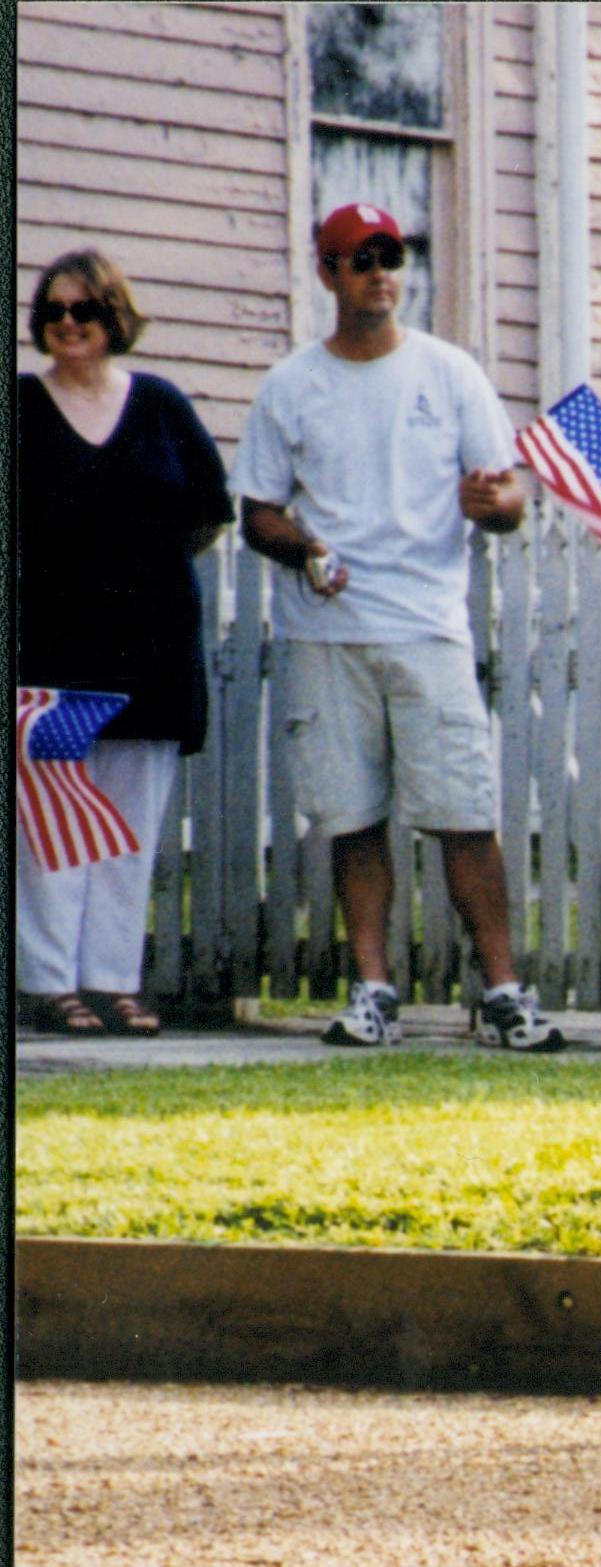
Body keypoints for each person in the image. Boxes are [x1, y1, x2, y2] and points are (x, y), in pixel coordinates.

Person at [234, 203, 562, 1052]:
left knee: (465, 813)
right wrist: (305, 549)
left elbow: (510, 497)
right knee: (352, 818)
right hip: (328, 632)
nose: (382, 271)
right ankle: (373, 990)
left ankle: (503, 992)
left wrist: (496, 505)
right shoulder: (292, 384)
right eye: (362, 257)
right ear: (328, 273)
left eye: (394, 254)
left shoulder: (450, 373)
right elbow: (257, 512)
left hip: (429, 627)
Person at [16, 249, 230, 1038]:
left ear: (114, 318)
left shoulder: (162, 405)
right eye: (54, 313)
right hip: (50, 654)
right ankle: (48, 982)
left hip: (151, 650)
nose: (68, 325)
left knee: (130, 825)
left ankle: (111, 981)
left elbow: (208, 511)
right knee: (53, 824)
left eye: (85, 311)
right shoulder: (22, 405)